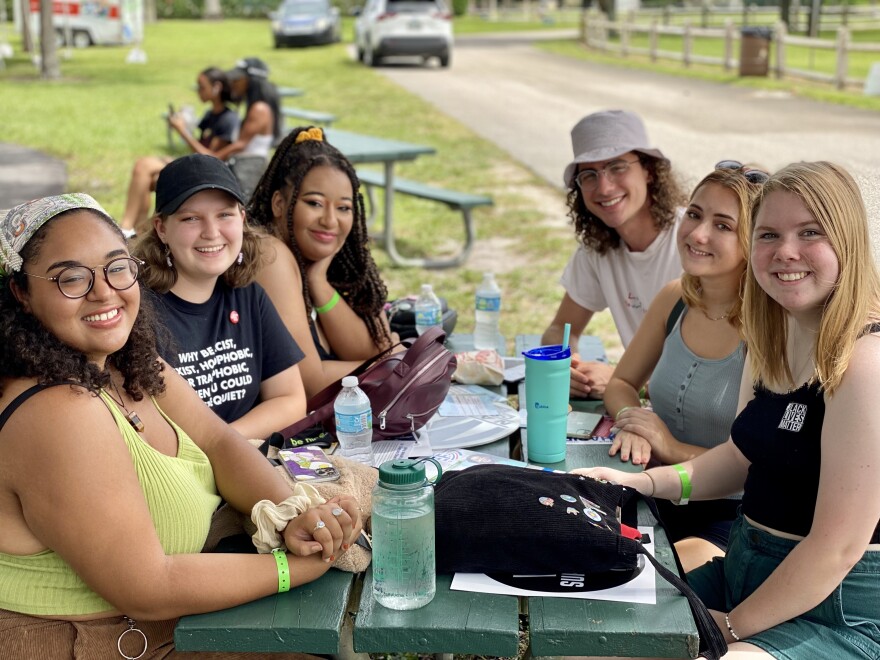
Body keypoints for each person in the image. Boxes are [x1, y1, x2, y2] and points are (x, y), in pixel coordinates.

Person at [0, 194, 361, 658]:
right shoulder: (55, 413)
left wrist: (292, 513)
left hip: (182, 627)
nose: (104, 292)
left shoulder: (129, 367)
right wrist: (294, 568)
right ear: (21, 294)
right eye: (72, 278)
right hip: (107, 645)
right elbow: (147, 587)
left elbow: (218, 440)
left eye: (117, 267)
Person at [577, 161, 880, 658]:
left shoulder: (864, 361)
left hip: (838, 609)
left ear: (847, 240)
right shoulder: (774, 334)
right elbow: (741, 457)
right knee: (592, 634)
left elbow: (837, 549)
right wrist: (644, 483)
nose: (786, 252)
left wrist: (732, 629)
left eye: (810, 233)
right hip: (744, 565)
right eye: (768, 234)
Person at [602, 163, 766, 573]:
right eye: (694, 214)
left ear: (754, 240)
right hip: (656, 488)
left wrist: (670, 447)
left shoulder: (769, 331)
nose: (697, 234)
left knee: (663, 584)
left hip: (733, 515)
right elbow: (621, 382)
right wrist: (632, 421)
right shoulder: (675, 298)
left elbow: (758, 468)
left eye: (723, 226)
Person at [134, 153, 307, 440]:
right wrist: (225, 450)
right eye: (191, 218)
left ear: (242, 218)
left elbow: (290, 399)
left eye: (224, 215)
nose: (212, 233)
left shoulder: (249, 296)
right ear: (161, 228)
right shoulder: (139, 312)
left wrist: (227, 445)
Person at [541, 109, 687, 400]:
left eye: (617, 167)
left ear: (648, 170)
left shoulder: (693, 240)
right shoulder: (598, 250)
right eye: (589, 174)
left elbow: (710, 379)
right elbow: (559, 329)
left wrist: (621, 381)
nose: (604, 187)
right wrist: (567, 367)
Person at [248, 126, 396, 399]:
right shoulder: (271, 255)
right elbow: (311, 384)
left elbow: (375, 345)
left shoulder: (312, 257)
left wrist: (318, 282)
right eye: (314, 203)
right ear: (279, 204)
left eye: (343, 208)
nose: (330, 221)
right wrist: (395, 364)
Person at [120, 67, 240, 238]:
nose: (198, 91)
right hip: (197, 167)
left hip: (208, 175)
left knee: (144, 165)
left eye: (201, 86)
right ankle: (137, 230)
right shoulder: (210, 114)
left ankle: (126, 227)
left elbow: (212, 159)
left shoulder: (228, 119)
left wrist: (182, 131)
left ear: (217, 87)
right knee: (149, 177)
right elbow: (198, 148)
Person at [170, 57, 281, 203]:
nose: (234, 83)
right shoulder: (253, 107)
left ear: (251, 80)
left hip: (248, 170)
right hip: (242, 167)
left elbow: (241, 144)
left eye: (238, 79)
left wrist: (215, 157)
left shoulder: (259, 108)